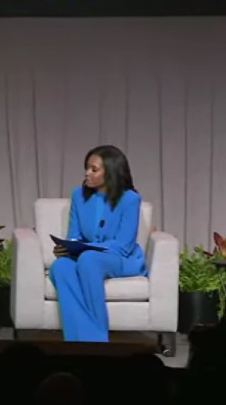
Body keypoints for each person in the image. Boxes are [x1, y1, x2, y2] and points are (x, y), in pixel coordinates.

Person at [49, 145, 146, 342]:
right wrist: (67, 248)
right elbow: (75, 235)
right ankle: (80, 341)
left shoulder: (130, 199)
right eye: (87, 168)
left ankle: (99, 343)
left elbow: (124, 245)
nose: (87, 173)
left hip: (121, 258)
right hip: (87, 255)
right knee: (60, 266)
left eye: (94, 169)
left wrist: (89, 249)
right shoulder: (78, 195)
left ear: (110, 172)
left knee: (89, 259)